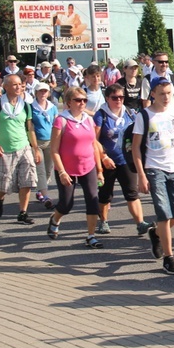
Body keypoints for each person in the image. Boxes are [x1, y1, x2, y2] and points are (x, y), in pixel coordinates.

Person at [133, 77, 174, 275]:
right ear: (152, 94)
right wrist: (141, 176)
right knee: (164, 212)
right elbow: (135, 148)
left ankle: (156, 233)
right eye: (161, 93)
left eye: (169, 93)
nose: (166, 97)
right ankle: (169, 258)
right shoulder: (144, 115)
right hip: (154, 168)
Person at [46, 87, 105, 248]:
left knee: (93, 200)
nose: (82, 103)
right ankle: (55, 219)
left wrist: (99, 170)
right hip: (67, 169)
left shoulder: (88, 119)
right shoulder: (61, 120)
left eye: (84, 100)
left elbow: (94, 145)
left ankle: (91, 236)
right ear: (68, 102)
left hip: (88, 166)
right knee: (66, 203)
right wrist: (62, 171)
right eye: (78, 100)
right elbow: (54, 150)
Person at [93, 83, 152, 236]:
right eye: (115, 97)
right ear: (107, 98)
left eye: (121, 97)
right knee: (105, 195)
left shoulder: (130, 113)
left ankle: (140, 223)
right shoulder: (101, 115)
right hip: (108, 160)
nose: (118, 100)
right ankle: (103, 221)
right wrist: (103, 157)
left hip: (126, 159)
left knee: (132, 193)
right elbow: (94, 140)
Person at [0, 74, 42, 225]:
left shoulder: (26, 106)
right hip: (5, 150)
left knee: (27, 181)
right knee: (5, 184)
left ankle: (22, 212)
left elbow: (30, 129)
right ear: (6, 87)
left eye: (20, 85)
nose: (18, 87)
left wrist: (35, 149)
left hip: (24, 147)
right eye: (14, 85)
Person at [30, 83, 58, 210]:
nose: (43, 94)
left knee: (48, 169)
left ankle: (41, 190)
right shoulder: (31, 107)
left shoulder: (52, 107)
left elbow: (57, 125)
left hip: (51, 142)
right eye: (40, 91)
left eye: (45, 91)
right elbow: (30, 128)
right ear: (35, 93)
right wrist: (34, 147)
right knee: (40, 169)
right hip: (37, 142)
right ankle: (46, 196)